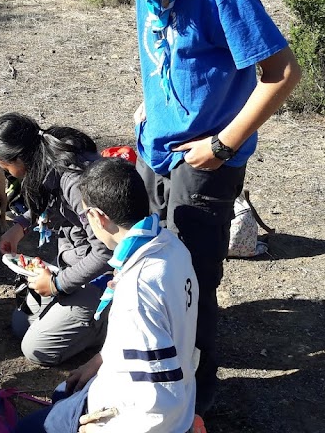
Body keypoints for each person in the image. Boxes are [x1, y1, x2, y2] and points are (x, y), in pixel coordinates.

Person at [73, 0, 302, 414]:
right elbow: (166, 55)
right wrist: (150, 105)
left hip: (204, 164)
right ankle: (149, 376)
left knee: (193, 282)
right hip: (153, 150)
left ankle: (193, 403)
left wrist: (222, 146)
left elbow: (282, 74)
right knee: (147, 266)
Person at [15, 157, 199, 433]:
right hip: (166, 393)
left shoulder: (138, 288)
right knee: (61, 395)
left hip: (135, 416)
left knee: (24, 429)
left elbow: (161, 401)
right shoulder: (169, 245)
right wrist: (100, 361)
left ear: (98, 217)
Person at [0, 113, 109, 366]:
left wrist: (56, 284)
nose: (7, 173)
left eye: (5, 167)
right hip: (74, 264)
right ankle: (78, 318)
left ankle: (109, 325)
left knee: (37, 349)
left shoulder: (75, 181)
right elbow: (47, 201)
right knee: (21, 324)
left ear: (19, 159)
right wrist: (20, 226)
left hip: (102, 279)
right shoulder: (46, 154)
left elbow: (106, 253)